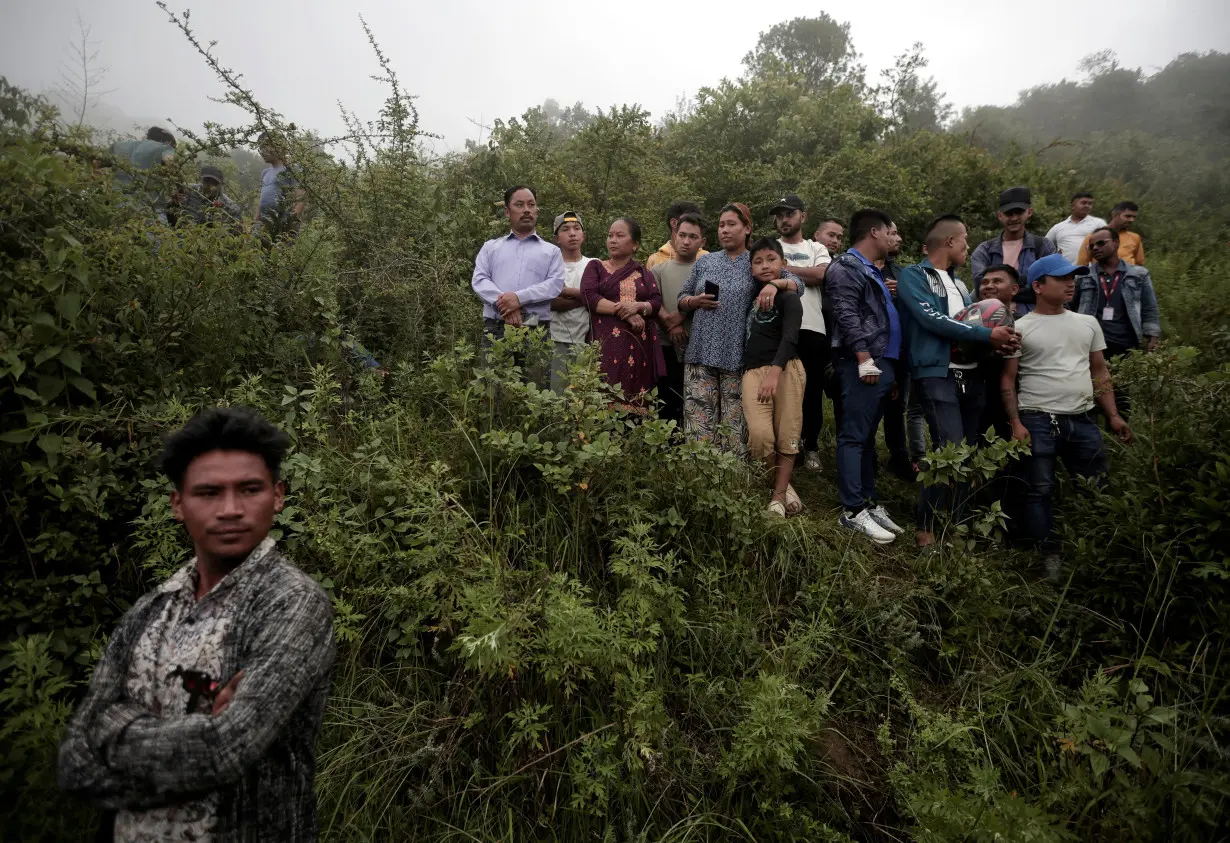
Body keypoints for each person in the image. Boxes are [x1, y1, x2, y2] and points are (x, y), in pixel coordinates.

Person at [58, 407, 335, 841]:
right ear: (178, 504)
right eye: (208, 492)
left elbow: (226, 748)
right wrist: (195, 738)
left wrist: (113, 732)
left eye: (249, 489)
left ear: (278, 496)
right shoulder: (150, 610)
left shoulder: (291, 604)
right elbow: (75, 759)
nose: (230, 509)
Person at [1001, 255, 1132, 568]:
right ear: (1038, 286)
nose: (1070, 283)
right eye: (1061, 278)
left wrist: (1113, 415)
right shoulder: (1020, 328)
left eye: (1072, 277)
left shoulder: (1087, 323)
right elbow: (1008, 378)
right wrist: (1015, 422)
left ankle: (1098, 553)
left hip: (1084, 419)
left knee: (1095, 487)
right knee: (1039, 490)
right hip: (1037, 418)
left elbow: (1100, 371)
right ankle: (1049, 557)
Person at [897, 216, 1020, 547]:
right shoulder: (914, 275)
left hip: (971, 376)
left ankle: (956, 528)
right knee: (947, 450)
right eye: (965, 241)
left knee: (966, 455)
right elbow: (930, 318)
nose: (969, 248)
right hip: (936, 374)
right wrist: (986, 333)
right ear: (949, 242)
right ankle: (925, 531)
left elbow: (971, 326)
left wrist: (999, 341)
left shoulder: (961, 285)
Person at [677, 203, 801, 454]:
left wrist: (774, 284)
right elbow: (682, 297)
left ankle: (731, 482)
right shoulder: (705, 261)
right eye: (721, 225)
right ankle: (699, 478)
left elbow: (798, 283)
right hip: (701, 352)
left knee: (734, 426)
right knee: (699, 424)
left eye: (731, 224)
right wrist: (693, 302)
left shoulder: (756, 261)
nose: (725, 230)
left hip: (737, 356)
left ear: (747, 228)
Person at [827, 208, 906, 544]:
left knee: (867, 437)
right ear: (874, 232)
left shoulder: (871, 270)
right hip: (864, 362)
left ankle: (870, 503)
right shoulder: (846, 265)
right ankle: (852, 510)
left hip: (882, 363)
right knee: (853, 435)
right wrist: (863, 357)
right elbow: (844, 312)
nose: (894, 238)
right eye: (890, 232)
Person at [471, 186, 566, 377]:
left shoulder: (551, 251)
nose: (526, 210)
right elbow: (480, 280)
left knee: (536, 395)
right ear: (507, 211)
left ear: (537, 210)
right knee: (493, 392)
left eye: (531, 205)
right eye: (519, 205)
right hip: (496, 328)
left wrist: (518, 298)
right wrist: (507, 304)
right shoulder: (491, 247)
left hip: (536, 329)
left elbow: (554, 284)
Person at [742, 238, 807, 517]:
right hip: (752, 371)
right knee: (759, 434)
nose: (765, 266)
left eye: (771, 259)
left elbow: (791, 337)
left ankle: (777, 498)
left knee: (787, 433)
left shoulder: (789, 297)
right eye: (758, 261)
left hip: (785, 369)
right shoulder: (751, 299)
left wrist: (775, 372)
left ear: (783, 263)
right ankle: (783, 485)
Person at [1071, 225, 1162, 418]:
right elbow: (1071, 306)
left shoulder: (1138, 274)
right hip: (1091, 344)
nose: (1095, 248)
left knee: (1122, 396)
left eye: (1101, 243)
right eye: (1092, 245)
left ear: (1116, 243)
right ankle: (1094, 439)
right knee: (1090, 393)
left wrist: (1152, 335)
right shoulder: (1083, 275)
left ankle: (1119, 438)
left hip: (1125, 343)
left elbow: (1149, 307)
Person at [772, 195, 832, 472]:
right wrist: (801, 273)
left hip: (813, 327)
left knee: (811, 390)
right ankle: (783, 447)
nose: (784, 219)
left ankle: (811, 447)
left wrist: (780, 270)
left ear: (803, 217)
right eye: (780, 214)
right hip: (778, 327)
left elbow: (821, 276)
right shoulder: (771, 246)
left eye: (790, 213)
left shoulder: (816, 247)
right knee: (779, 389)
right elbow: (761, 273)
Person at [580, 217, 666, 407]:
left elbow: (656, 302)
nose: (613, 240)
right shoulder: (596, 267)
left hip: (639, 349)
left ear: (634, 245)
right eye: (610, 235)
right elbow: (589, 297)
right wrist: (624, 311)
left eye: (620, 235)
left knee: (636, 404)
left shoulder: (644, 273)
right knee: (603, 399)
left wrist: (638, 306)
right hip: (605, 345)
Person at [650, 212, 706, 422]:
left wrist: (682, 317)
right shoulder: (658, 270)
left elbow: (707, 302)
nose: (686, 241)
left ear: (702, 241)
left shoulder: (707, 269)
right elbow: (654, 302)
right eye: (682, 235)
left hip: (697, 345)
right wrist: (671, 325)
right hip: (665, 344)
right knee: (666, 400)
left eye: (693, 237)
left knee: (694, 402)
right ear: (674, 237)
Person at [969, 186, 1056, 308]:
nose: (1014, 218)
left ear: (1029, 212)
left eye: (1019, 212)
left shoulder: (1043, 246)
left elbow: (1049, 286)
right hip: (994, 319)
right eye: (1008, 213)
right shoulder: (984, 250)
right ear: (1000, 216)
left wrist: (1001, 289)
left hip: (1033, 318)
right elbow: (982, 289)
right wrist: (1028, 283)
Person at [974, 264, 1023, 440]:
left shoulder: (1024, 325)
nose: (988, 286)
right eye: (984, 282)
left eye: (997, 281)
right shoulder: (965, 325)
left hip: (1014, 407)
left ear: (1014, 289)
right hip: (975, 403)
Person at [548, 211, 594, 393]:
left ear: (584, 235)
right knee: (557, 397)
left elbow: (601, 297)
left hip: (588, 342)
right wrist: (588, 297)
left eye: (577, 228)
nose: (572, 233)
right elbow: (552, 303)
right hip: (556, 340)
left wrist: (568, 292)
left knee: (583, 400)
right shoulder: (550, 265)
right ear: (556, 238)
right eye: (565, 229)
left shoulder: (594, 265)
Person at [106, 126, 178, 222]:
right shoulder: (165, 147)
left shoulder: (120, 146)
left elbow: (96, 162)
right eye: (174, 147)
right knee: (158, 235)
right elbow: (170, 162)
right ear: (169, 142)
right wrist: (178, 186)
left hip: (118, 207)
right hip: (149, 211)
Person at [256, 132, 306, 241]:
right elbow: (261, 202)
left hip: (283, 225)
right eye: (260, 148)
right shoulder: (265, 173)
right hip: (264, 225)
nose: (261, 151)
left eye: (265, 146)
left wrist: (290, 223)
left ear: (279, 145)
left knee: (278, 255)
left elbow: (300, 197)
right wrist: (255, 222)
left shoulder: (292, 168)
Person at [175, 165, 244, 229]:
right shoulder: (187, 189)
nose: (210, 186)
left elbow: (237, 232)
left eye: (215, 183)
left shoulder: (232, 208)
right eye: (207, 181)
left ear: (222, 185)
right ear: (200, 180)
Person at [646, 201, 709, 271]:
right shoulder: (655, 260)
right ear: (673, 223)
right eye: (687, 219)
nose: (686, 242)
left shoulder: (706, 257)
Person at [1077, 201, 1145, 266]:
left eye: (1134, 217)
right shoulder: (1093, 237)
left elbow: (1139, 263)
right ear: (1114, 215)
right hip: (1101, 276)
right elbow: (1082, 264)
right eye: (1128, 216)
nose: (1131, 220)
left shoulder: (1135, 237)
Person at [1045, 192, 1106, 262]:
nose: (1087, 206)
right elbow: (1045, 246)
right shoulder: (1058, 227)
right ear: (1073, 206)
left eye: (1090, 204)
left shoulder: (1098, 223)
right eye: (1083, 203)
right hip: (1064, 270)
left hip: (1090, 270)